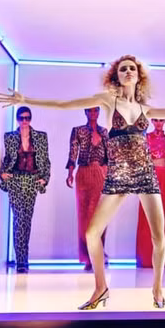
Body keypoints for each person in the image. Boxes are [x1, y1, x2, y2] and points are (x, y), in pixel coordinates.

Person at [0, 54, 165, 308]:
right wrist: (26, 100)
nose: (128, 72)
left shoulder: (146, 109)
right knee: (92, 233)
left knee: (159, 237)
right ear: (116, 75)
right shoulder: (108, 100)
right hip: (117, 175)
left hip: (145, 174)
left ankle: (157, 289)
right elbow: (63, 104)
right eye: (123, 69)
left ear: (138, 75)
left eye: (132, 68)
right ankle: (100, 287)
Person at [0, 106, 51, 273]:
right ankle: (21, 260)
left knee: (26, 220)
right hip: (15, 180)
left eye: (27, 118)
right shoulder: (9, 137)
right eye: (21, 118)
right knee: (18, 219)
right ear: (17, 119)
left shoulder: (40, 137)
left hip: (32, 181)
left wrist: (45, 178)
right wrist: (2, 173)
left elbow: (45, 160)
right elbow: (7, 158)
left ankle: (23, 258)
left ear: (30, 118)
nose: (24, 121)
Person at [66, 107, 109, 271]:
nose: (93, 114)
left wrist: (109, 175)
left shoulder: (104, 132)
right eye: (89, 111)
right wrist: (70, 173)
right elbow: (72, 153)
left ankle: (97, 254)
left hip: (100, 174)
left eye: (95, 111)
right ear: (85, 112)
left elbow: (109, 156)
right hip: (83, 174)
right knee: (84, 216)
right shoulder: (78, 131)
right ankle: (88, 256)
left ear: (99, 112)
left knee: (98, 215)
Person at [135, 117, 165, 268]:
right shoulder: (145, 138)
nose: (159, 123)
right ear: (152, 121)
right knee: (148, 216)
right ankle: (146, 257)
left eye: (161, 120)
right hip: (150, 177)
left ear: (164, 122)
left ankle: (164, 258)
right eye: (156, 120)